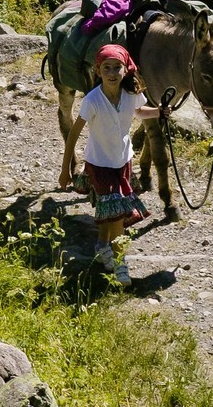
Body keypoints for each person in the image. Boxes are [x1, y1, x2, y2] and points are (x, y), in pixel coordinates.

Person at [57, 44, 163, 287]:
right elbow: (74, 134)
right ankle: (119, 263)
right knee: (116, 215)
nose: (112, 73)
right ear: (98, 70)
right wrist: (66, 170)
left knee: (109, 211)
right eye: (107, 68)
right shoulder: (93, 100)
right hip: (100, 164)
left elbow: (139, 111)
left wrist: (159, 112)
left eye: (117, 67)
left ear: (126, 70)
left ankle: (102, 245)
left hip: (123, 161)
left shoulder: (130, 94)